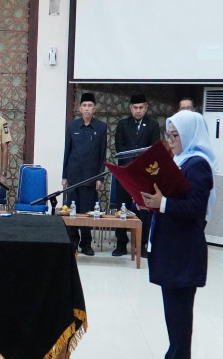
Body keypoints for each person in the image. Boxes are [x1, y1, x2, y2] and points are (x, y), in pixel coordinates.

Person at [141, 110, 216, 359]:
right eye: (168, 135)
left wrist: (161, 204)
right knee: (172, 312)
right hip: (171, 247)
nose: (170, 141)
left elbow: (195, 208)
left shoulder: (198, 165)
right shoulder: (179, 162)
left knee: (180, 313)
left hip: (184, 251)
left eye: (175, 136)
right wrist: (148, 201)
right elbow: (169, 200)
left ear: (190, 135)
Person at [112, 94, 161, 257]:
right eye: (135, 108)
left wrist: (139, 167)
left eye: (141, 108)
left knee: (143, 211)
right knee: (122, 209)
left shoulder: (153, 125)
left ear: (145, 108)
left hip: (143, 176)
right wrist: (131, 166)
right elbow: (119, 147)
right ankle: (121, 244)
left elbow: (153, 149)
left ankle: (141, 245)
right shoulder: (123, 124)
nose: (138, 111)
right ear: (130, 108)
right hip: (125, 174)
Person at [61, 92, 106, 256]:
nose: (87, 108)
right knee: (72, 211)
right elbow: (67, 151)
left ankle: (86, 244)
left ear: (95, 109)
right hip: (73, 175)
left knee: (87, 211)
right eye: (84, 106)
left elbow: (102, 154)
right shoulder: (73, 126)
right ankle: (73, 242)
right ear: (80, 108)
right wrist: (64, 176)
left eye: (90, 106)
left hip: (90, 176)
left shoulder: (101, 127)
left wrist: (100, 177)